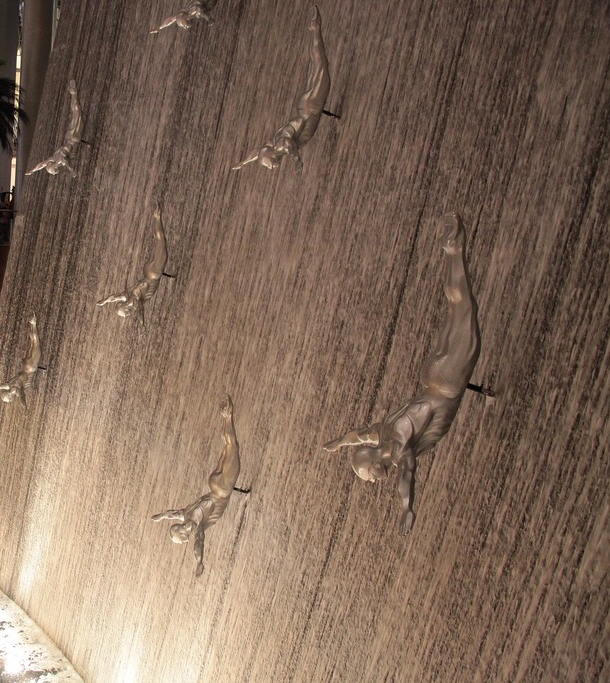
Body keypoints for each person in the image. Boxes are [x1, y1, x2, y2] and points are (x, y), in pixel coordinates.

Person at [323, 214, 481, 535]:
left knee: (464, 307)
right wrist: (339, 443)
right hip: (431, 375)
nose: (371, 481)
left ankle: (454, 247)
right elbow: (358, 434)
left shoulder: (395, 447)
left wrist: (408, 508)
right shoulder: (380, 432)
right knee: (456, 307)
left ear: (373, 464)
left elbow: (406, 474)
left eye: (369, 476)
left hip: (448, 384)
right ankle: (452, 250)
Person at [152, 394, 242, 577]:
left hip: (223, 490)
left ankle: (228, 415)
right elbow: (172, 513)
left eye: (180, 541)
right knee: (229, 447)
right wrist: (160, 517)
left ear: (181, 534)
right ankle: (225, 417)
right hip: (214, 483)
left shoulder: (195, 527)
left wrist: (199, 562)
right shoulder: (184, 514)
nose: (183, 543)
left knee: (232, 447)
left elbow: (198, 544)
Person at [232, 7, 330, 174]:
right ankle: (314, 29)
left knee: (321, 65)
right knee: (318, 66)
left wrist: (297, 160)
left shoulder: (279, 147)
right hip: (306, 106)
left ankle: (316, 28)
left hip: (312, 107)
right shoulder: (270, 145)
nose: (270, 167)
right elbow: (256, 152)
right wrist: (243, 162)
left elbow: (288, 144)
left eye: (268, 164)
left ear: (271, 155)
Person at [96, 203, 169, 325]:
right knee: (159, 242)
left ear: (125, 307)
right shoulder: (125, 296)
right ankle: (156, 218)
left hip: (154, 274)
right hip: (147, 272)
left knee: (161, 241)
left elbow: (139, 307)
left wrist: (142, 321)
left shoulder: (132, 301)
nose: (128, 314)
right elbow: (114, 297)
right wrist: (104, 301)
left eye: (126, 313)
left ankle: (157, 217)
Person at [26, 80, 85, 177]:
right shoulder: (52, 159)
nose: (54, 173)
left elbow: (64, 160)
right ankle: (73, 94)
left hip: (74, 138)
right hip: (70, 137)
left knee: (77, 114)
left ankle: (73, 93)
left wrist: (71, 170)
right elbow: (41, 164)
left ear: (53, 167)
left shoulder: (57, 161)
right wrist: (32, 170)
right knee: (76, 114)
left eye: (53, 171)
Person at [0, 316, 41, 408]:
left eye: (8, 399)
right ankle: (31, 324)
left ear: (8, 395)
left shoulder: (14, 389)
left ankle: (33, 323)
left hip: (31, 367)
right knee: (32, 343)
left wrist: (24, 405)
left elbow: (22, 396)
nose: (10, 400)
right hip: (25, 366)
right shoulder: (7, 385)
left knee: (35, 342)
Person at [150, 0, 215, 33]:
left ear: (185, 18)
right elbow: (170, 20)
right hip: (199, 5)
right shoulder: (179, 16)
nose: (186, 27)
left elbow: (198, 8)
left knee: (204, 9)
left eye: (185, 25)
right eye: (185, 26)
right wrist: (160, 27)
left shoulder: (191, 11)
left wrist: (209, 19)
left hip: (202, 3)